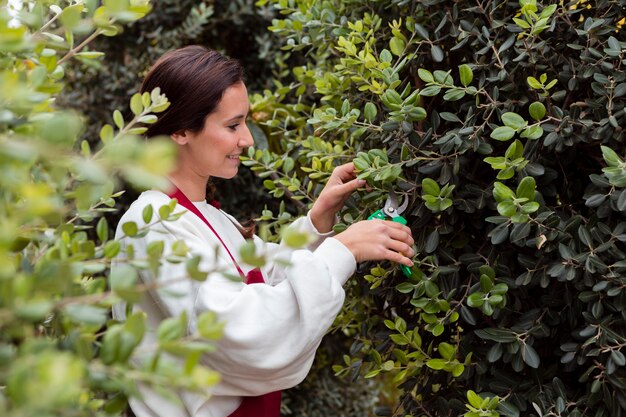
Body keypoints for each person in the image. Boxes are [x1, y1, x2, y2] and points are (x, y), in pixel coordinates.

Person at [112, 45, 415, 417]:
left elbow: (263, 274)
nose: (247, 140)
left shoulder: (204, 216)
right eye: (232, 125)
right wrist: (343, 251)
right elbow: (238, 331)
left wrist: (318, 222)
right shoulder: (154, 226)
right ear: (180, 130)